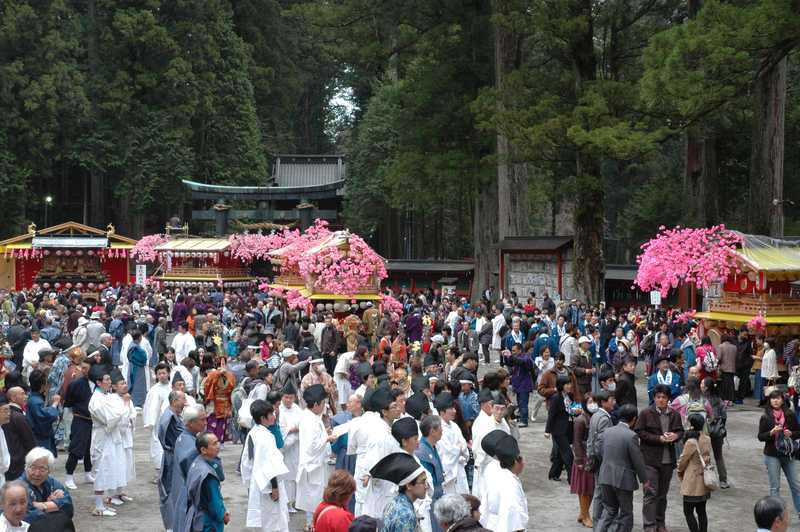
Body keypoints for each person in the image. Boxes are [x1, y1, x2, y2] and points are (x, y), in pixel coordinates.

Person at [636, 383, 684, 532]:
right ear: (654, 398)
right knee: (650, 493)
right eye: (658, 397)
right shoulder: (645, 413)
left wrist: (675, 436)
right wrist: (658, 439)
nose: (661, 400)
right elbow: (640, 432)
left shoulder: (674, 414)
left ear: (668, 399)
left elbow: (680, 431)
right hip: (650, 460)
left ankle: (660, 523)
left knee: (662, 495)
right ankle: (649, 526)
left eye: (664, 397)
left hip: (667, 461)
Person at [595, 404, 650, 532]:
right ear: (634, 419)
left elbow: (599, 451)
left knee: (609, 510)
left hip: (605, 475)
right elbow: (637, 460)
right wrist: (645, 480)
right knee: (626, 513)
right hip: (623, 480)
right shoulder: (631, 436)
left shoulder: (607, 431)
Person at [240, 399, 290, 532]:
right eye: (272, 414)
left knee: (265, 521)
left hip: (257, 482)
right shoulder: (266, 437)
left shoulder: (253, 432)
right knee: (273, 523)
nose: (274, 416)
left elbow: (246, 462)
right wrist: (274, 487)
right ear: (263, 418)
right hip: (267, 485)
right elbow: (269, 464)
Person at [87, 368, 130, 517]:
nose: (109, 382)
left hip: (110, 436)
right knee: (100, 469)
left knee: (108, 468)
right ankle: (98, 506)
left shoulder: (105, 396)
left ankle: (103, 503)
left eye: (109, 379)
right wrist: (124, 407)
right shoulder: (96, 400)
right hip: (102, 436)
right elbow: (111, 419)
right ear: (98, 382)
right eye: (106, 380)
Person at [296, 384, 338, 530]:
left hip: (317, 466)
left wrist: (324, 434)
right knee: (313, 502)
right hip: (312, 467)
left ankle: (314, 525)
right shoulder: (308, 420)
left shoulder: (313, 417)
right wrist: (327, 439)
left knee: (316, 500)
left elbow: (315, 439)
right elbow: (311, 447)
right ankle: (312, 526)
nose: (324, 406)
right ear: (315, 404)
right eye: (323, 403)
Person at [361, 387, 403, 519]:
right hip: (383, 490)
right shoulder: (380, 435)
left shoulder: (389, 429)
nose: (398, 409)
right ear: (384, 412)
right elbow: (372, 467)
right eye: (394, 407)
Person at [758, 387, 800, 517]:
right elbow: (760, 436)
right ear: (769, 401)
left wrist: (791, 433)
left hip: (789, 454)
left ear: (783, 400)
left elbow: (798, 432)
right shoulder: (766, 417)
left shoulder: (790, 415)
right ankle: (776, 515)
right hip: (772, 455)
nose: (775, 401)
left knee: (796, 485)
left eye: (778, 398)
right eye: (773, 398)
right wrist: (771, 433)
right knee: (775, 487)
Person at [179, 432, 229, 532]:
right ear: (203, 450)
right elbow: (214, 502)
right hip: (207, 521)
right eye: (214, 444)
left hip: (196, 514)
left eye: (218, 442)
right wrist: (223, 515)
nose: (218, 445)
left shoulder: (197, 462)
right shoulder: (208, 475)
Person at [480, 432, 528, 532]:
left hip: (488, 523)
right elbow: (513, 518)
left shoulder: (491, 467)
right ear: (515, 462)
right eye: (521, 458)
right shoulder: (510, 483)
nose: (524, 462)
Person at [170, 404, 207, 532]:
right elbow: (196, 474)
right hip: (189, 494)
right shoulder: (189, 444)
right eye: (202, 420)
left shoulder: (189, 439)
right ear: (190, 423)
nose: (205, 423)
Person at [371, 452, 429, 532]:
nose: (426, 486)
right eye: (423, 482)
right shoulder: (406, 515)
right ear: (409, 485)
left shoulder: (393, 502)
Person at [20, 447, 74, 528]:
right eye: (33, 468)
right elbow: (28, 517)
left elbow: (69, 508)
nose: (37, 473)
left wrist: (43, 506)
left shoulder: (50, 482)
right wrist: (55, 506)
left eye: (42, 469)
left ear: (49, 471)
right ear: (26, 467)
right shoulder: (19, 487)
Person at [470, 389, 509, 500]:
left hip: (502, 465)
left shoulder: (504, 424)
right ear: (491, 408)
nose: (500, 412)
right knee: (485, 498)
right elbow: (477, 448)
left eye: (502, 409)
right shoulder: (484, 425)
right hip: (486, 466)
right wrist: (479, 465)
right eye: (497, 408)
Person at [677, 414, 712, 532]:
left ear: (691, 425)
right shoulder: (707, 438)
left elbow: (683, 460)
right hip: (703, 479)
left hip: (692, 480)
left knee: (688, 511)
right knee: (702, 511)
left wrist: (679, 470)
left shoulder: (691, 442)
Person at [62, 357, 93, 491]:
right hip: (80, 418)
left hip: (94, 420)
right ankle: (69, 476)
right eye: (83, 368)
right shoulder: (76, 384)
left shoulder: (97, 383)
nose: (83, 370)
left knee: (89, 448)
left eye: (86, 368)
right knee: (76, 448)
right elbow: (68, 402)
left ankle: (88, 473)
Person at [586, 389, 616, 527]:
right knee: (600, 491)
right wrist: (604, 459)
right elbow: (600, 442)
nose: (614, 403)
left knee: (599, 490)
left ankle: (598, 520)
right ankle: (598, 521)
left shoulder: (596, 415)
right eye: (612, 400)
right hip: (601, 459)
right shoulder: (604, 418)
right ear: (604, 402)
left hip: (595, 458)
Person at [158, 390, 187, 531]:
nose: (185, 402)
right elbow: (165, 437)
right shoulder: (169, 417)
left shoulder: (175, 415)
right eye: (183, 399)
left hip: (178, 457)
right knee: (170, 491)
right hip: (172, 458)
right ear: (174, 401)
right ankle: (171, 526)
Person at [434, 392, 469, 495]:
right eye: (451, 409)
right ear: (442, 411)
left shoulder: (454, 425)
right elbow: (448, 451)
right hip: (450, 474)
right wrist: (459, 448)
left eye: (454, 408)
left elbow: (463, 445)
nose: (454, 411)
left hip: (460, 468)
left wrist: (459, 448)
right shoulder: (438, 428)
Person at [545, 375, 577, 483]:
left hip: (568, 428)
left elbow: (571, 409)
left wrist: (576, 411)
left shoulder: (569, 396)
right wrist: (547, 431)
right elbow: (551, 415)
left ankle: (553, 473)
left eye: (569, 384)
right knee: (568, 455)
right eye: (566, 384)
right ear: (561, 385)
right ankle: (572, 479)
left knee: (560, 454)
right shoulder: (555, 398)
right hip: (558, 430)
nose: (569, 386)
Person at [143, 363, 172, 481]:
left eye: (164, 373)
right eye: (159, 373)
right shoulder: (154, 390)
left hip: (171, 421)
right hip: (159, 422)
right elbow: (151, 407)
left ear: (168, 373)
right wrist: (151, 422)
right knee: (158, 445)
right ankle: (159, 471)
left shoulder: (172, 387)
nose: (162, 376)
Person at [416, 415, 445, 532]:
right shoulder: (422, 451)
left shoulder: (432, 446)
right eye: (440, 428)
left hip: (439, 494)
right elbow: (427, 481)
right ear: (432, 431)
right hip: (430, 498)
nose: (442, 430)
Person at [571, 393, 595, 528]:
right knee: (584, 489)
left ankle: (583, 513)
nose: (593, 404)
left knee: (591, 487)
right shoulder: (581, 420)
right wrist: (580, 460)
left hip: (592, 456)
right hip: (583, 457)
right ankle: (586, 516)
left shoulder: (593, 417)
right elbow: (577, 442)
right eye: (590, 402)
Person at [278, 383, 302, 512]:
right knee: (286, 476)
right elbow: (283, 431)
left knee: (295, 475)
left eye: (291, 397)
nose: (288, 400)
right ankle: (286, 503)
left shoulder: (297, 409)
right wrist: (291, 430)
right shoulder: (279, 410)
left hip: (296, 447)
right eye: (286, 397)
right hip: (285, 448)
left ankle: (294, 502)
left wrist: (296, 430)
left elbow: (302, 425)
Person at [702, 377, 729, 489]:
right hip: (717, 431)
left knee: (704, 455)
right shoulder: (718, 399)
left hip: (704, 430)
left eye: (702, 384)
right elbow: (724, 416)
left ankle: (707, 479)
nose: (701, 385)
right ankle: (723, 480)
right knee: (718, 456)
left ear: (706, 387)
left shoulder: (701, 399)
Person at [25, 370, 59, 456]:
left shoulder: (33, 397)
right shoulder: (36, 401)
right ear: (42, 386)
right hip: (39, 438)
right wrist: (54, 404)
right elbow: (45, 417)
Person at [4, 388, 34, 482]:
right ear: (13, 398)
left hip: (8, 460)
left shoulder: (10, 414)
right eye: (22, 394)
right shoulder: (18, 417)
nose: (26, 396)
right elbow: (30, 442)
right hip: (17, 461)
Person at [503, 343, 533, 428]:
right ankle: (521, 418)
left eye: (514, 351)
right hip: (518, 384)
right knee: (520, 403)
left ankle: (524, 421)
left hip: (524, 384)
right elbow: (510, 363)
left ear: (520, 350)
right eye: (512, 351)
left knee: (523, 403)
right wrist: (505, 356)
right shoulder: (516, 357)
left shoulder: (525, 358)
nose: (513, 352)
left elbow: (521, 362)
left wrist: (511, 356)